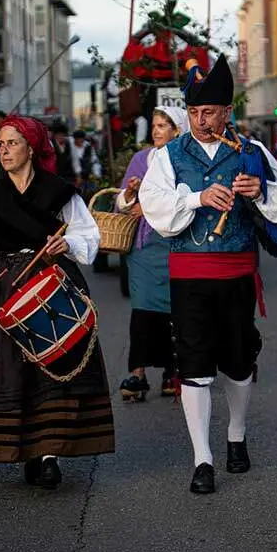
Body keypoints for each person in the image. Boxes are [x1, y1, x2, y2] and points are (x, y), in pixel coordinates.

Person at [140, 55, 277, 494]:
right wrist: (195, 198)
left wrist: (262, 190)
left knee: (238, 358)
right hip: (189, 273)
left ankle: (236, 434)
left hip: (236, 271)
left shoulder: (251, 151)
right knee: (192, 361)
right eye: (193, 112)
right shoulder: (169, 155)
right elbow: (154, 206)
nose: (200, 120)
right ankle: (202, 458)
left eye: (209, 112)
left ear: (227, 112)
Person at [0, 115, 113, 488]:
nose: (3, 150)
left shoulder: (60, 192)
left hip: (52, 284)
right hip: (6, 288)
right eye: (0, 144)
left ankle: (49, 452)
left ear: (31, 149)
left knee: (52, 366)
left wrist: (67, 243)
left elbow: (88, 234)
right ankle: (27, 450)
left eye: (12, 143)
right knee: (13, 371)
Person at [116, 105, 190, 401]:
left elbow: (186, 197)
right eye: (155, 125)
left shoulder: (184, 160)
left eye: (163, 126)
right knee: (143, 309)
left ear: (176, 130)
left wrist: (147, 204)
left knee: (176, 311)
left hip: (175, 244)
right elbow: (121, 203)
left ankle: (173, 371)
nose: (156, 131)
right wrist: (131, 192)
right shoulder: (140, 158)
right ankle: (138, 374)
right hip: (144, 247)